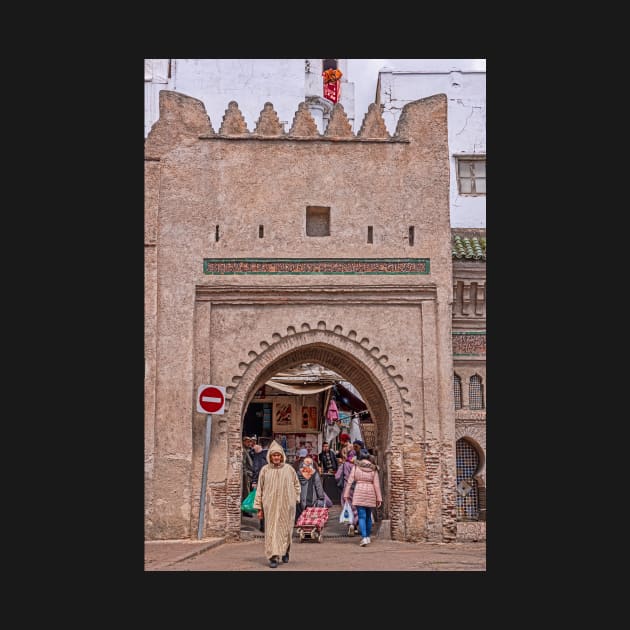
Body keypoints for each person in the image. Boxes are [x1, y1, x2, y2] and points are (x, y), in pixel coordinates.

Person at [253, 440, 301, 568]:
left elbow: (297, 485)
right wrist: (259, 507)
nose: (276, 457)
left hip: (287, 506)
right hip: (270, 506)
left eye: (278, 455)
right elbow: (260, 489)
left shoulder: (289, 469)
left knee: (285, 530)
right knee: (271, 530)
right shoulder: (265, 470)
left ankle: (285, 550)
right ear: (270, 456)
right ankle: (273, 556)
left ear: (281, 456)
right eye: (274, 455)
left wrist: (295, 499)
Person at [342, 448, 382, 547]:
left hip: (359, 491)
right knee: (368, 516)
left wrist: (346, 494)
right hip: (370, 492)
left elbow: (350, 481)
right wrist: (379, 498)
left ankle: (364, 537)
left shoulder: (356, 467)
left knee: (361, 516)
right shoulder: (374, 468)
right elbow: (376, 484)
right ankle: (367, 536)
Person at [296, 456, 326, 523]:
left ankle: (301, 524)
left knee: (301, 515)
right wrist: (321, 497)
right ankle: (308, 525)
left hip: (300, 499)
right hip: (311, 498)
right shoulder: (314, 473)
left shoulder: (298, 473)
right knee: (310, 515)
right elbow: (318, 486)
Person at [335, 449, 359, 535]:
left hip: (347, 489)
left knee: (348, 507)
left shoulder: (344, 465)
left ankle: (350, 524)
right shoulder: (357, 465)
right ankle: (355, 524)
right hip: (356, 489)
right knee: (356, 507)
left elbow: (337, 476)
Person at [251, 443, 269, 532]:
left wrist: (254, 481)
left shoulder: (257, 457)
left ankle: (263, 526)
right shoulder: (268, 455)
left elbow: (256, 469)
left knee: (262, 504)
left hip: (261, 482)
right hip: (269, 482)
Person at [242, 436, 255, 502]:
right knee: (246, 492)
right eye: (247, 442)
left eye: (250, 442)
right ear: (243, 442)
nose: (249, 444)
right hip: (246, 474)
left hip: (249, 474)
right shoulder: (243, 451)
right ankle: (246, 508)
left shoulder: (248, 451)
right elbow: (243, 464)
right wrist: (246, 473)